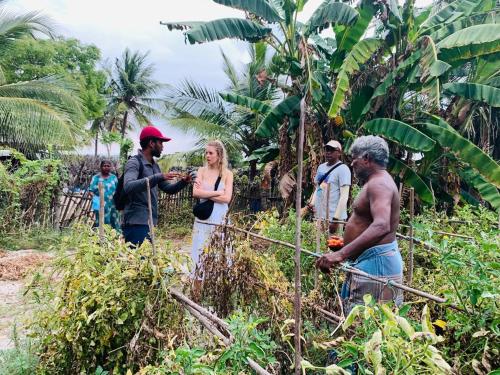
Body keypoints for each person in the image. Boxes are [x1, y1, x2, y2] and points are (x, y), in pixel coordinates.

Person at [316, 135, 403, 312]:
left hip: (377, 265)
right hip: (372, 261)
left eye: (354, 159)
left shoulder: (379, 184)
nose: (352, 164)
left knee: (368, 327)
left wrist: (341, 254)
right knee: (367, 325)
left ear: (367, 159)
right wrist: (346, 244)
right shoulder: (377, 182)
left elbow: (381, 225)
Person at [122, 125, 194, 246]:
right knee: (137, 261)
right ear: (151, 143)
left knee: (147, 262)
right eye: (161, 142)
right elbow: (128, 186)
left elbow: (168, 188)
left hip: (149, 222)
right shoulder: (134, 162)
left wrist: (184, 182)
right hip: (136, 223)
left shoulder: (154, 165)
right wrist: (158, 177)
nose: (162, 146)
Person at [191, 140, 233, 277]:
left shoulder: (227, 174)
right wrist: (216, 193)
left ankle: (216, 290)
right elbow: (195, 193)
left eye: (210, 153)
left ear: (219, 155)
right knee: (199, 251)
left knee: (218, 250)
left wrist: (205, 194)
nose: (207, 156)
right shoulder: (201, 171)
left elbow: (227, 198)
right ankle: (196, 293)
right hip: (203, 219)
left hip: (219, 218)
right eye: (206, 153)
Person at [306, 140, 351, 234]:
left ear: (339, 152)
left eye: (332, 150)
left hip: (333, 218)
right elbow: (319, 187)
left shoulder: (343, 169)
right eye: (327, 149)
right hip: (319, 217)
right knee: (318, 245)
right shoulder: (321, 168)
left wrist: (335, 220)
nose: (328, 152)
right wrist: (312, 203)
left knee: (333, 247)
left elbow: (344, 196)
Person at [89, 160, 120, 230]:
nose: (106, 167)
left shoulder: (114, 178)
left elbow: (118, 190)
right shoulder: (96, 178)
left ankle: (115, 238)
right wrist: (97, 201)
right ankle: (100, 238)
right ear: (101, 167)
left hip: (112, 205)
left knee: (114, 221)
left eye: (108, 166)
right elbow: (91, 191)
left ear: (111, 167)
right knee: (101, 221)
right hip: (100, 205)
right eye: (104, 166)